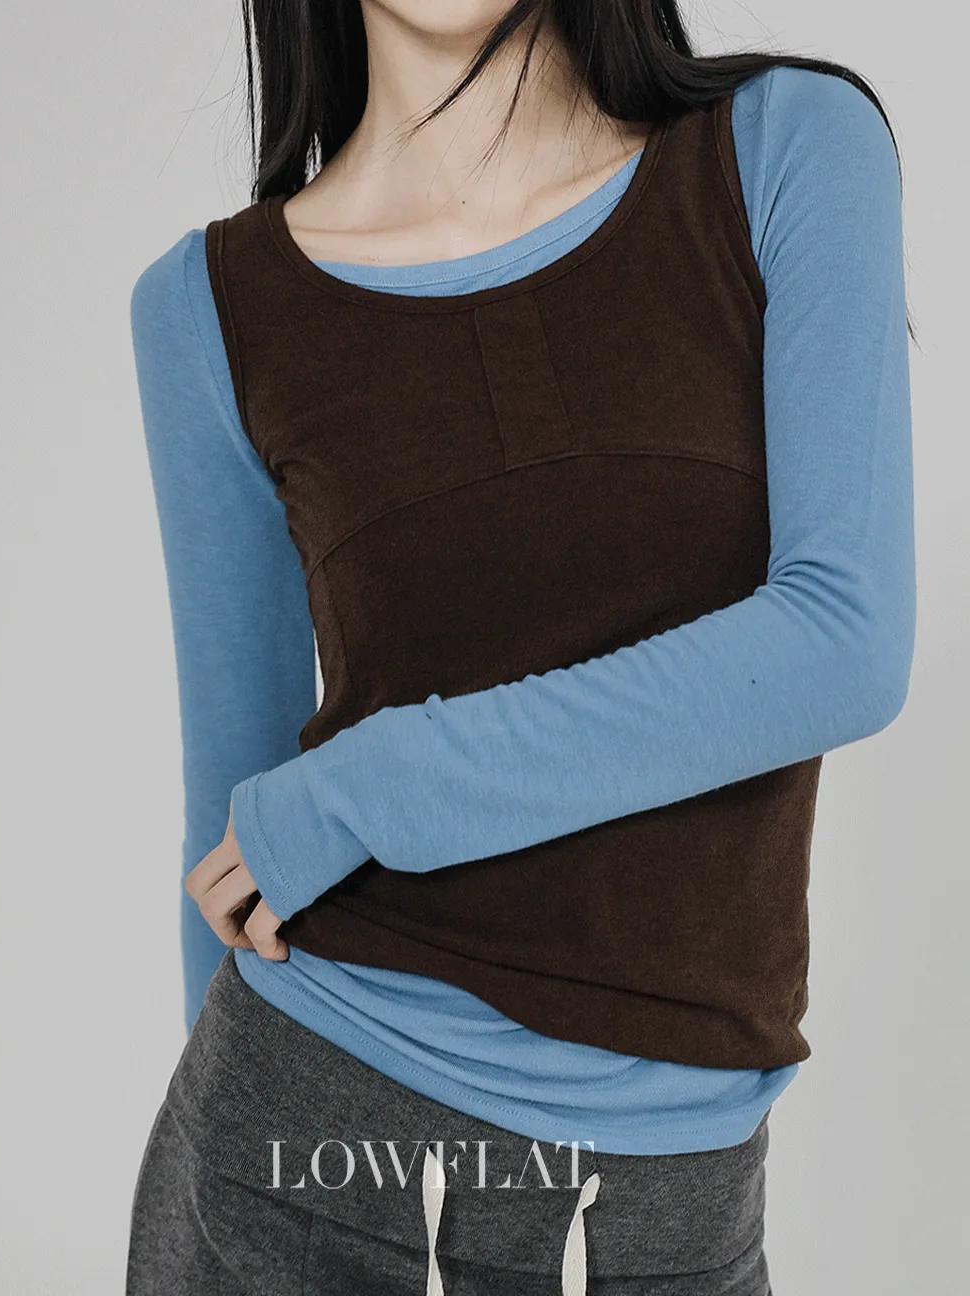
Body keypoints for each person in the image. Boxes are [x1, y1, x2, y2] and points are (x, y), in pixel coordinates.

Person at [125, 2, 915, 1292]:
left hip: (672, 1202)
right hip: (298, 1151)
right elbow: (235, 840)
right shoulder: (212, 307)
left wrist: (370, 787)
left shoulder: (784, 148)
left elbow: (843, 642)